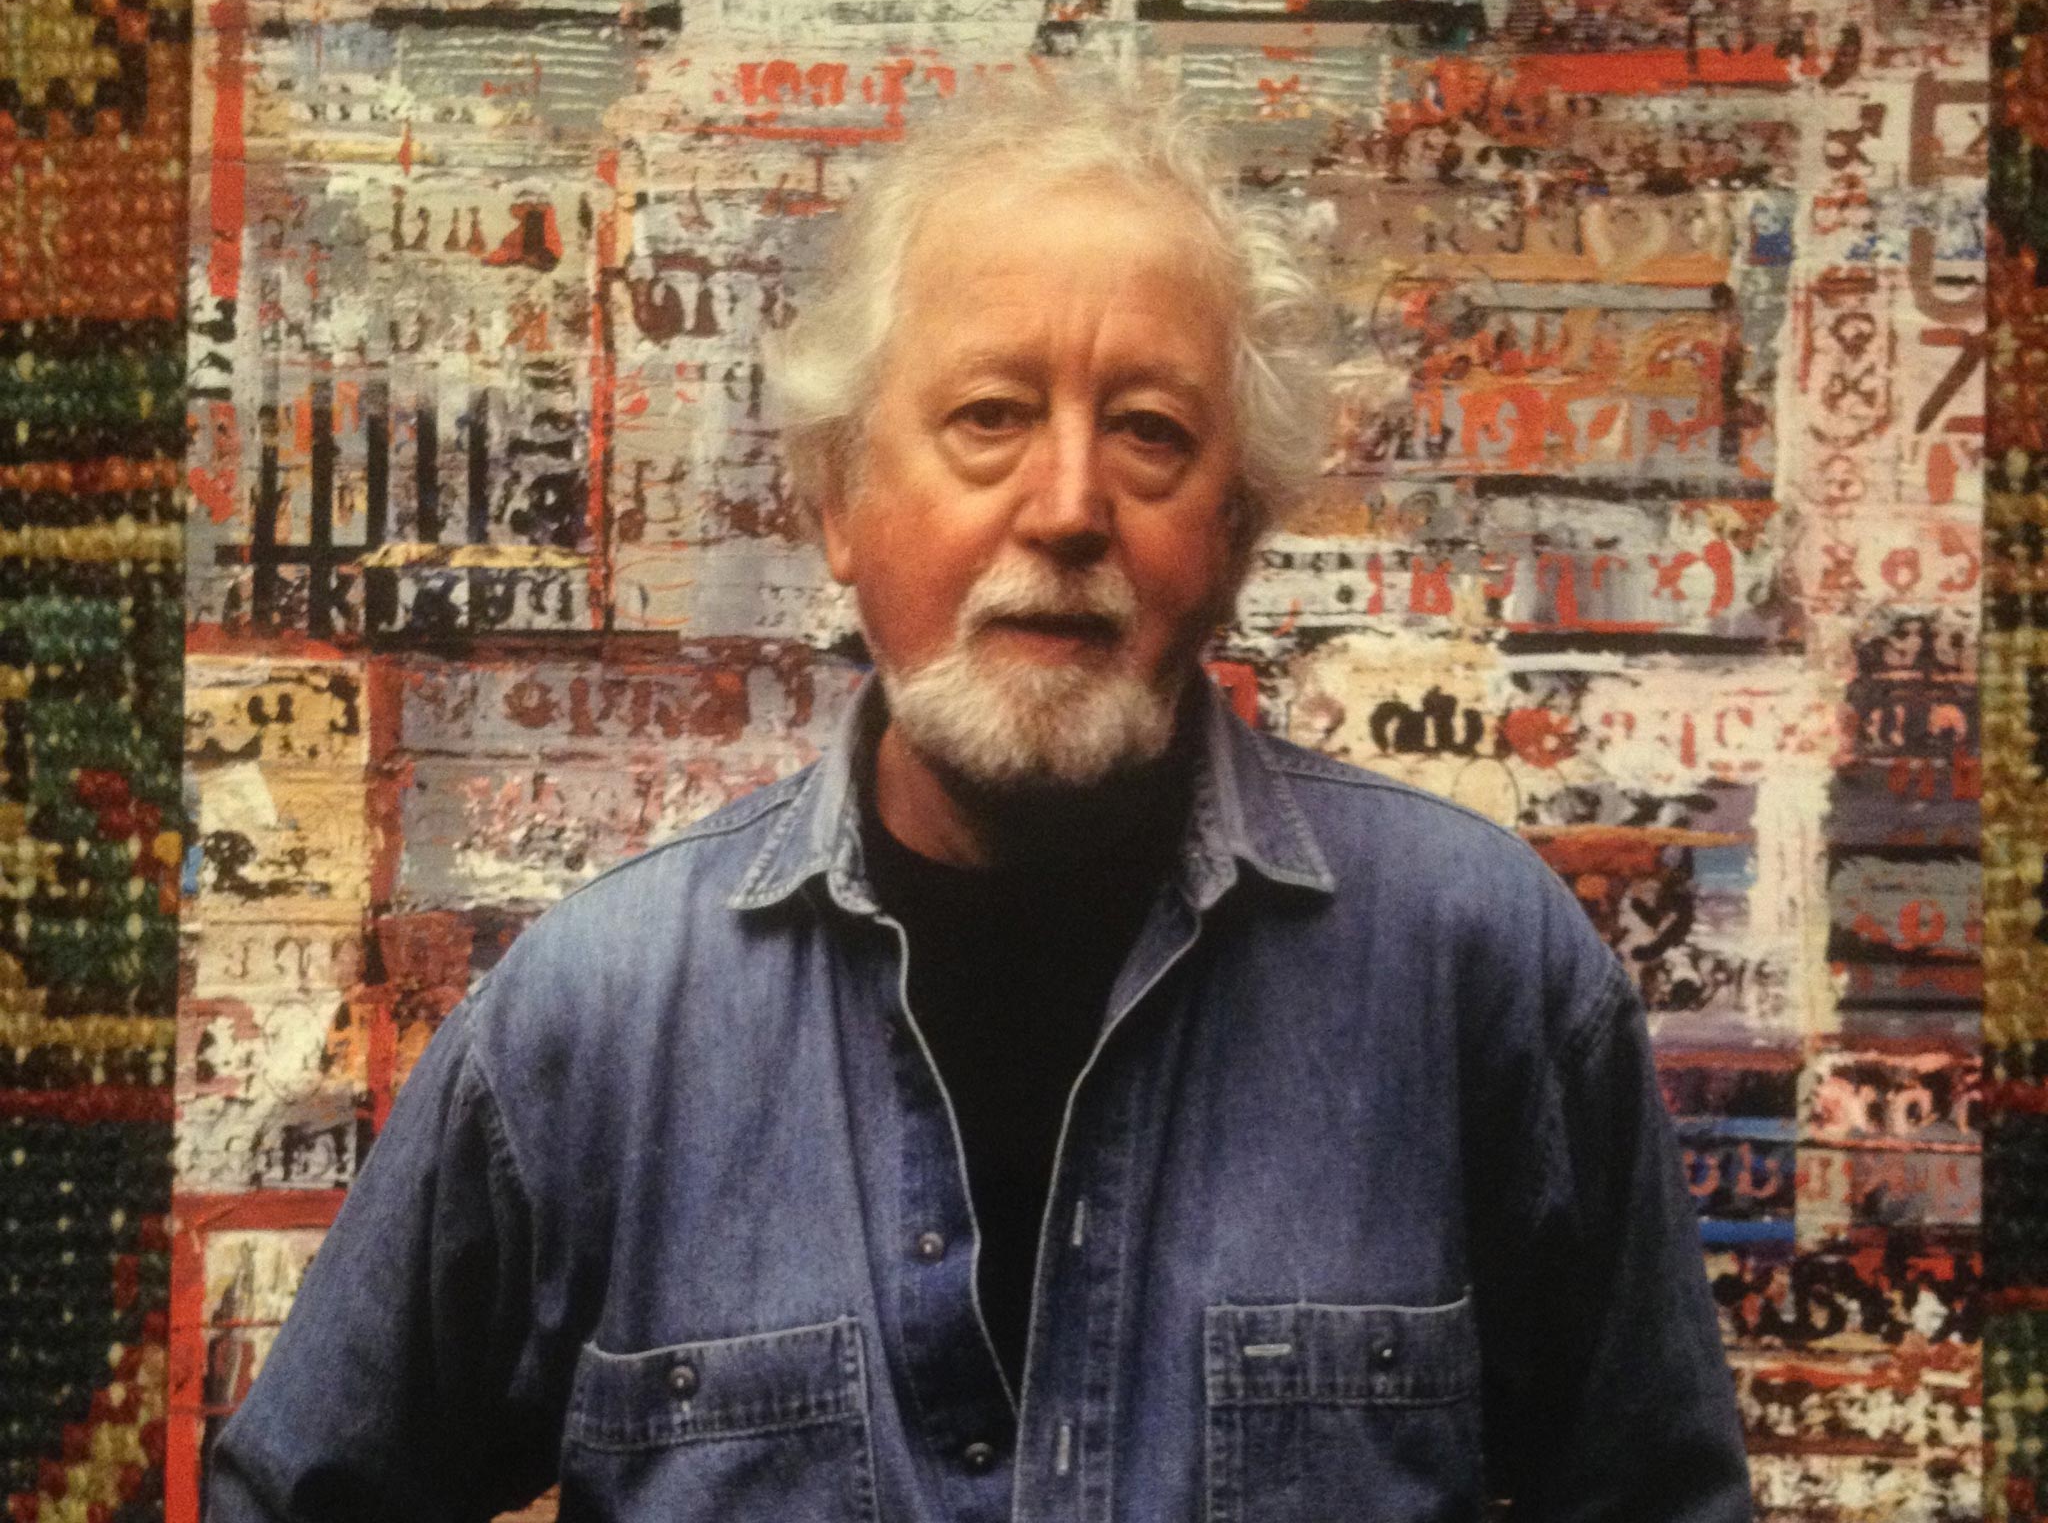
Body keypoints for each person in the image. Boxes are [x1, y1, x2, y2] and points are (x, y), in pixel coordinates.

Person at [206, 76, 1753, 1522]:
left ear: (1233, 529)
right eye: (989, 417)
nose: (1069, 506)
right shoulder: (597, 1022)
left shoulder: (1481, 976)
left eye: (1150, 432)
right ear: (836, 503)